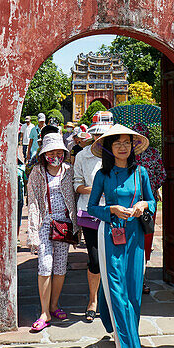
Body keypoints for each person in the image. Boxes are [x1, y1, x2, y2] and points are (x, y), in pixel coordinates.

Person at [87, 126, 156, 348]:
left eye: (127, 142)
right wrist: (112, 210)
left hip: (135, 236)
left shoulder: (141, 173)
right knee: (117, 292)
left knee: (134, 292)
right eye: (117, 143)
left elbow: (153, 200)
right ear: (109, 148)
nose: (123, 147)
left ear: (133, 146)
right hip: (110, 236)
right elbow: (92, 207)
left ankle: (127, 336)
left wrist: (142, 204)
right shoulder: (102, 175)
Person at [26, 133, 78, 332]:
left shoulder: (69, 171)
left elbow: (75, 195)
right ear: (44, 153)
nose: (56, 155)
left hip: (64, 223)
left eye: (59, 151)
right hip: (45, 223)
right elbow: (32, 202)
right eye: (51, 152)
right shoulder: (38, 172)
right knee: (45, 265)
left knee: (60, 266)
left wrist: (77, 226)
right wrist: (33, 230)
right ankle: (44, 312)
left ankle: (54, 305)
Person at [73, 122, 105, 323]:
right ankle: (93, 300)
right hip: (89, 210)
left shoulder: (117, 156)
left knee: (112, 258)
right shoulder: (82, 156)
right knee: (94, 258)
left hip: (113, 213)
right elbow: (77, 184)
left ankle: (109, 300)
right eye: (97, 135)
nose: (100, 138)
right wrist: (93, 189)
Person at [134, 120, 166, 286]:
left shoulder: (128, 155)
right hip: (147, 202)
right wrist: (152, 187)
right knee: (145, 237)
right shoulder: (153, 153)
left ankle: (138, 277)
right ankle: (142, 277)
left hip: (134, 203)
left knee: (136, 237)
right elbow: (162, 175)